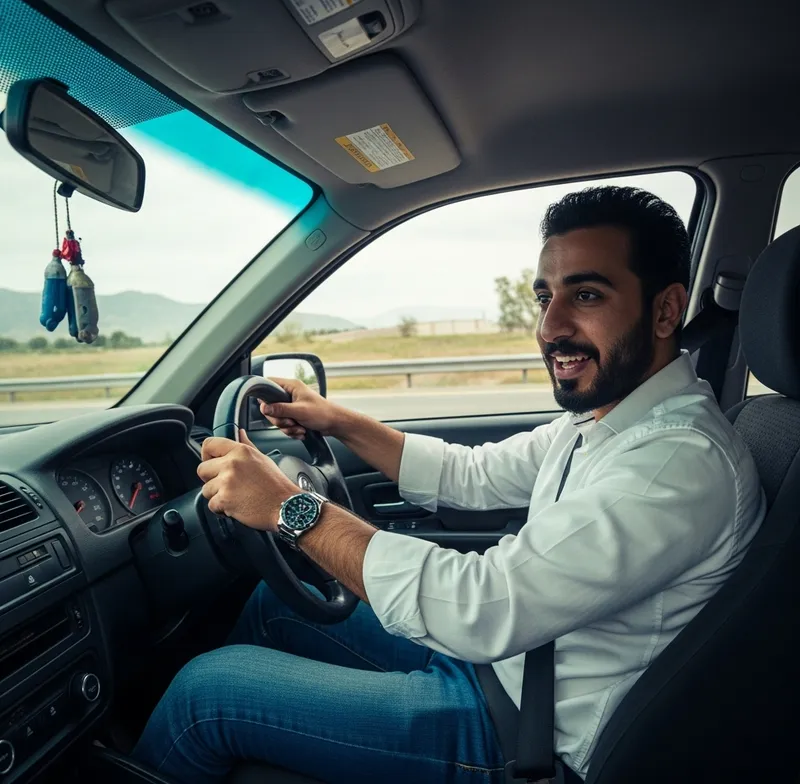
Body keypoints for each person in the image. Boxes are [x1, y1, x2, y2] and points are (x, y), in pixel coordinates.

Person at [132, 186, 765, 783]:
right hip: (508, 664)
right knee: (275, 606)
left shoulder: (674, 462)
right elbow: (473, 472)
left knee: (205, 693)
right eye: (546, 297)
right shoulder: (608, 422)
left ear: (664, 310)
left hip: (523, 734)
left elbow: (482, 606)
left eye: (588, 296)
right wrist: (337, 420)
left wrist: (291, 509)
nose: (550, 327)